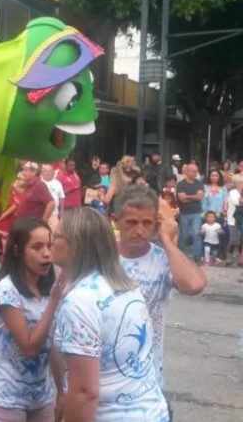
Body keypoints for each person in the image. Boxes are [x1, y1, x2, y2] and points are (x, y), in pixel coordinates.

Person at [51, 207, 168, 421]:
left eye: (56, 236)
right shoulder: (124, 284)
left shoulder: (80, 301)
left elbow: (85, 392)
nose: (51, 241)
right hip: (152, 411)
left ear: (75, 245)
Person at [113, 185, 206, 400]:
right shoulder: (101, 257)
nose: (139, 230)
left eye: (147, 223)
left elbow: (195, 285)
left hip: (148, 382)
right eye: (131, 222)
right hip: (105, 382)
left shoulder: (163, 260)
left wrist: (165, 239)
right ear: (116, 220)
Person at [0, 218, 64, 422]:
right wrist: (54, 302)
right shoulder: (6, 291)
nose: (46, 253)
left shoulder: (47, 289)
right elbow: (29, 346)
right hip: (6, 396)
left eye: (49, 245)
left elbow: (52, 343)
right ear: (18, 251)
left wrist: (61, 391)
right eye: (37, 247)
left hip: (41, 396)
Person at [177, 163, 205, 263]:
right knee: (183, 235)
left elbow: (200, 197)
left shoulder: (199, 183)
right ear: (187, 172)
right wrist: (194, 197)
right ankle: (179, 256)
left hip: (196, 213)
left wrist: (188, 196)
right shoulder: (181, 184)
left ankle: (197, 257)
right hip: (184, 213)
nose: (195, 173)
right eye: (193, 171)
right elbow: (181, 199)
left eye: (196, 171)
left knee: (196, 234)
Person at [202, 168, 228, 260]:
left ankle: (219, 253)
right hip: (207, 214)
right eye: (212, 175)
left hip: (219, 214)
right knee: (206, 233)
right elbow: (203, 200)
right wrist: (204, 213)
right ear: (209, 176)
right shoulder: (205, 187)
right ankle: (204, 254)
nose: (214, 177)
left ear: (219, 177)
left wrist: (224, 211)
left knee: (220, 234)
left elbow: (225, 200)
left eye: (216, 175)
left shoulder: (223, 188)